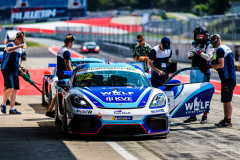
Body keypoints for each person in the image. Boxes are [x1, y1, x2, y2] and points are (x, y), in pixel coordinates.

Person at [184, 26, 214, 124]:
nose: (196, 37)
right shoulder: (194, 44)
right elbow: (189, 55)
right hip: (194, 72)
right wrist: (190, 53)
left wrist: (198, 52)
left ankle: (205, 115)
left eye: (198, 35)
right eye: (196, 35)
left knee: (205, 94)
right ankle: (193, 115)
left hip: (204, 73)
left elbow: (208, 57)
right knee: (192, 94)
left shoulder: (208, 45)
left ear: (203, 36)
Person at [208, 34, 236, 127]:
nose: (211, 43)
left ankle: (228, 121)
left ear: (215, 41)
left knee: (227, 100)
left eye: (211, 41)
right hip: (231, 77)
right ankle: (226, 119)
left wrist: (210, 66)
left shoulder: (220, 49)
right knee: (226, 99)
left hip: (227, 78)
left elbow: (221, 65)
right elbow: (233, 61)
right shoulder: (227, 48)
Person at [45, 34, 75, 117]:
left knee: (58, 94)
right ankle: (65, 114)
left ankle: (50, 111)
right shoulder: (66, 52)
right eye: (73, 43)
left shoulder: (60, 49)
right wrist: (73, 75)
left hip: (61, 75)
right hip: (66, 77)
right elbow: (68, 65)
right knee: (66, 96)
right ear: (71, 42)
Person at [1, 31, 27, 114]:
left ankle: (12, 108)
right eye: (22, 39)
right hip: (7, 69)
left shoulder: (20, 48)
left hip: (15, 70)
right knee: (9, 89)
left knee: (15, 90)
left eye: (24, 39)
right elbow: (8, 50)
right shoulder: (11, 45)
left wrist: (22, 67)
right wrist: (18, 46)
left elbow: (18, 59)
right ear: (17, 39)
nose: (23, 41)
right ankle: (3, 104)